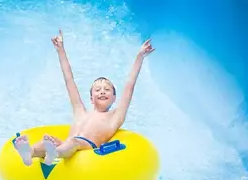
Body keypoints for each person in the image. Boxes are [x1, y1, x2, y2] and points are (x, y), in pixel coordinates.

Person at [13, 29, 155, 166]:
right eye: (97, 90)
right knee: (47, 141)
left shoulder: (115, 116)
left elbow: (129, 85)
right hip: (66, 146)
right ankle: (29, 153)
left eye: (107, 89)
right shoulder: (80, 111)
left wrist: (139, 56)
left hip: (85, 147)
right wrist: (60, 50)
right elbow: (69, 79)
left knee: (73, 142)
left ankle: (53, 154)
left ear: (114, 98)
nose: (102, 92)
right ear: (91, 99)